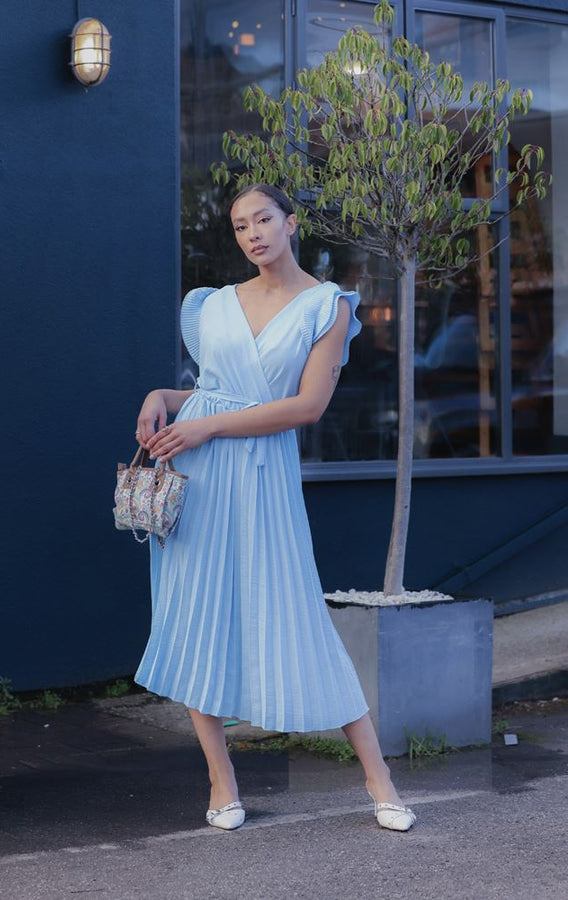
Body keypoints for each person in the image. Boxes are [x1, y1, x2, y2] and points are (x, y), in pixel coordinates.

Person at [133, 184, 416, 833]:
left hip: (262, 476)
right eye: (240, 226)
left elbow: (307, 407)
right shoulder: (212, 305)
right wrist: (161, 397)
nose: (252, 233)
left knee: (298, 617)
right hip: (198, 479)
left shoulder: (327, 306)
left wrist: (207, 426)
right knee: (197, 621)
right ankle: (221, 779)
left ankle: (380, 780)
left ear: (291, 223)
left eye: (263, 219)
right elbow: (210, 393)